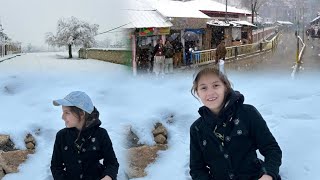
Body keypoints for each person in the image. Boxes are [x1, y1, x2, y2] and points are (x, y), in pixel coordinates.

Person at [189, 67, 282, 180]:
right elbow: (197, 169)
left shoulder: (248, 113)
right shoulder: (197, 128)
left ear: (225, 87)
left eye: (216, 85)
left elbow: (271, 149)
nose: (210, 92)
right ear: (197, 92)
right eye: (203, 88)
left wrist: (268, 175)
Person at [51, 91, 119, 180]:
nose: (62, 117)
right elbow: (56, 167)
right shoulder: (62, 136)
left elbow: (112, 163)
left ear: (82, 114)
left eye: (67, 113)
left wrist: (108, 177)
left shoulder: (100, 134)